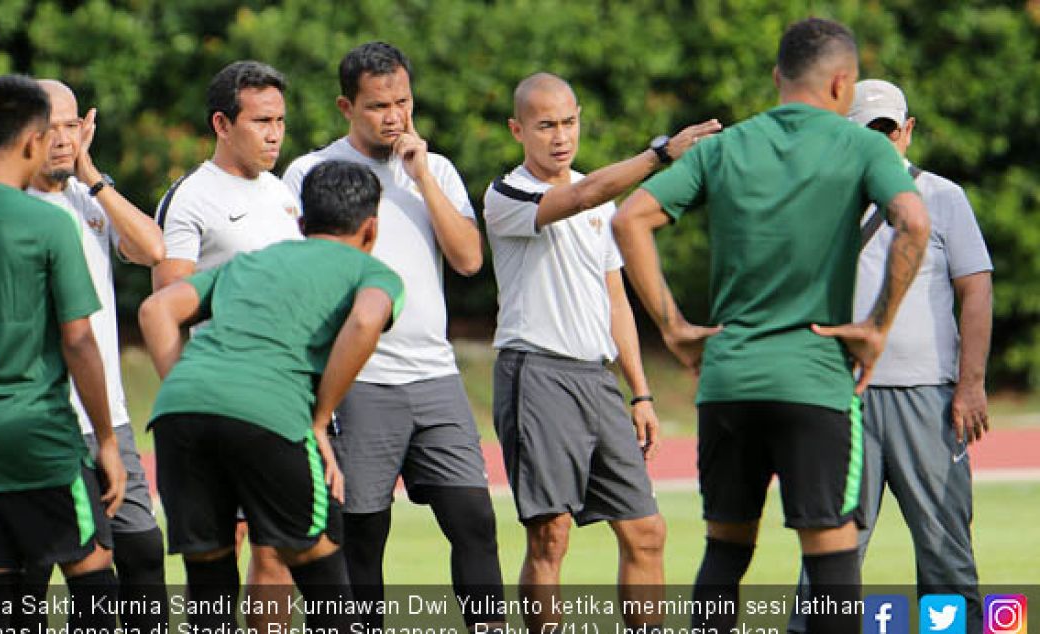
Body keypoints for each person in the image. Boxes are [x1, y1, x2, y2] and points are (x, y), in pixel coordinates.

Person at [613, 18, 932, 634]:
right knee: (831, 556)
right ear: (843, 83)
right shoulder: (863, 146)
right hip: (814, 382)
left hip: (729, 380)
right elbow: (913, 221)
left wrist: (675, 328)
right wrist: (876, 326)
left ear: (775, 77)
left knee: (726, 551)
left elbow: (630, 218)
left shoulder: (725, 146)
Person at [483, 72, 720, 631]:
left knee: (646, 529)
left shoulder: (598, 195)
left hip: (597, 382)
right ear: (519, 129)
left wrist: (640, 392)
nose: (560, 136)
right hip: (537, 375)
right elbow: (582, 196)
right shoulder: (507, 194)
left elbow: (615, 299)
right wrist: (662, 153)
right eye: (545, 125)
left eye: (568, 122)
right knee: (551, 536)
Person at [283, 41, 504, 631]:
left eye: (402, 102)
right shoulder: (309, 173)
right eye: (379, 105)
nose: (395, 116)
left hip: (436, 377)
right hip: (359, 382)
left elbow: (468, 260)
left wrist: (423, 176)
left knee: (475, 521)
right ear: (345, 106)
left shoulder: (438, 169)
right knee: (363, 534)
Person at [140, 160, 403, 633]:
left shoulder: (249, 263)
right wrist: (320, 419)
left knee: (208, 574)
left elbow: (157, 308)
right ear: (372, 227)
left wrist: (189, 387)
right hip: (270, 413)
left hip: (179, 411)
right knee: (317, 561)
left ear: (302, 225)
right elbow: (366, 321)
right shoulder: (374, 272)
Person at [790, 79, 993, 634]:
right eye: (866, 133)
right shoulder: (814, 202)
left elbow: (975, 289)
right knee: (831, 556)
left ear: (906, 132)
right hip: (839, 399)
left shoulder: (944, 196)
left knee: (945, 554)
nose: (880, 143)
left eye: (888, 131)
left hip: (928, 396)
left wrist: (970, 384)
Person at [0, 74, 126, 631]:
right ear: (35, 141)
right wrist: (109, 442)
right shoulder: (47, 223)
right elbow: (78, 339)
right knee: (94, 570)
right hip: (37, 433)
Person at [11, 79, 168, 634]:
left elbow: (152, 249)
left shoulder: (90, 198)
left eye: (71, 124)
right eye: (48, 125)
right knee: (39, 570)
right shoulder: (8, 208)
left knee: (143, 552)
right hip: (40, 422)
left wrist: (93, 175)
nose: (61, 137)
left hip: (109, 419)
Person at [152, 59, 302, 628]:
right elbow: (166, 306)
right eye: (261, 121)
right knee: (217, 553)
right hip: (218, 398)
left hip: (283, 394)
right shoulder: (190, 198)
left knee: (277, 550)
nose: (274, 134)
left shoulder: (285, 194)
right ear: (222, 123)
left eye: (280, 121)